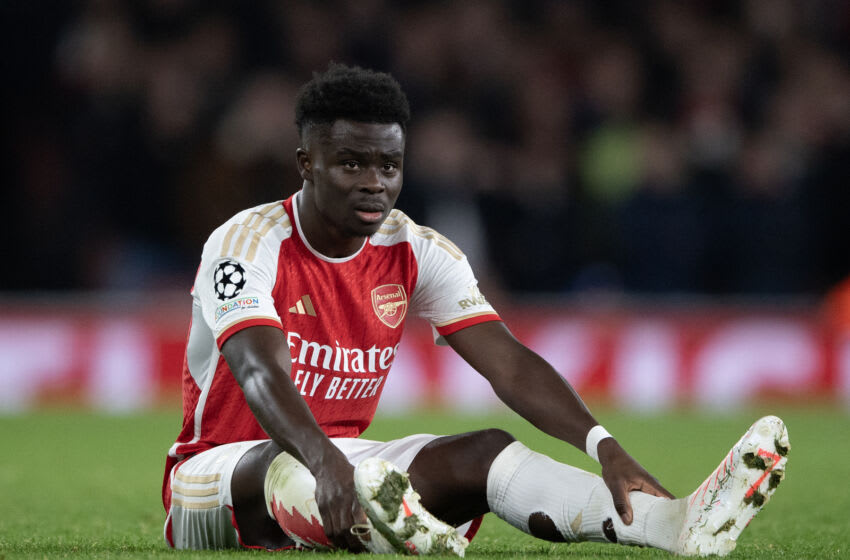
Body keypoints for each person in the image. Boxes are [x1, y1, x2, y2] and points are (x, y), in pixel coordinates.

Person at [162, 63, 789, 556]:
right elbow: (256, 371)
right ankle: (393, 532)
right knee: (286, 461)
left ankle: (675, 526)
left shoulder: (416, 250)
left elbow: (508, 364)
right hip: (213, 479)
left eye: (389, 165)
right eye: (350, 162)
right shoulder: (247, 242)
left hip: (348, 470)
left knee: (486, 451)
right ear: (307, 164)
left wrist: (603, 444)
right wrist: (322, 458)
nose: (373, 182)